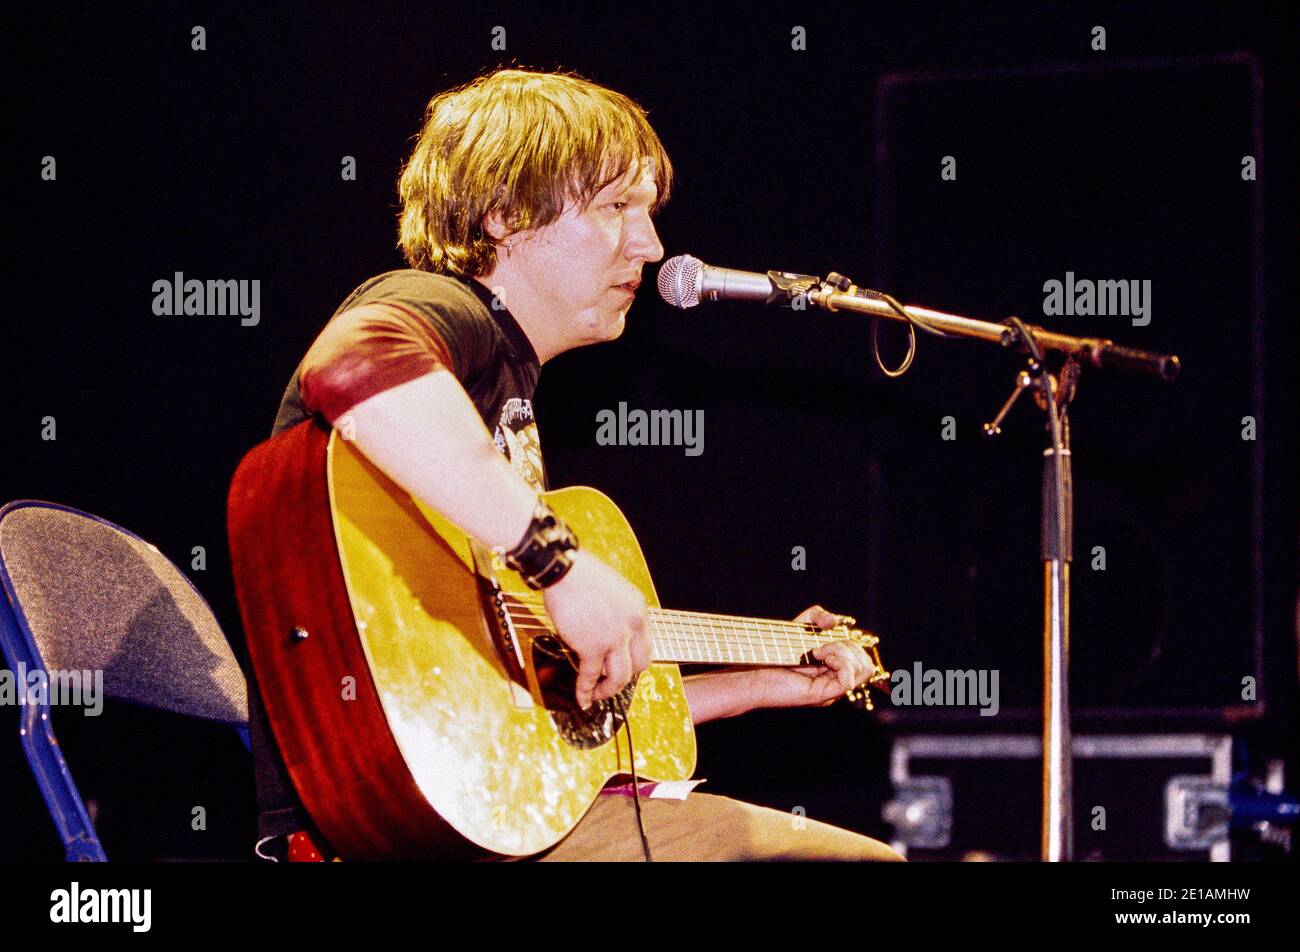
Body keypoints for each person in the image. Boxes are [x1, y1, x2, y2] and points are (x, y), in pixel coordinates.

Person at [249, 67, 902, 862]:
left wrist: (767, 680)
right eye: (615, 207)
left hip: (466, 807)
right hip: (387, 828)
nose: (652, 244)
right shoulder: (448, 312)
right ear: (505, 215)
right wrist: (559, 566)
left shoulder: (500, 397)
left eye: (649, 211)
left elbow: (544, 728)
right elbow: (353, 370)